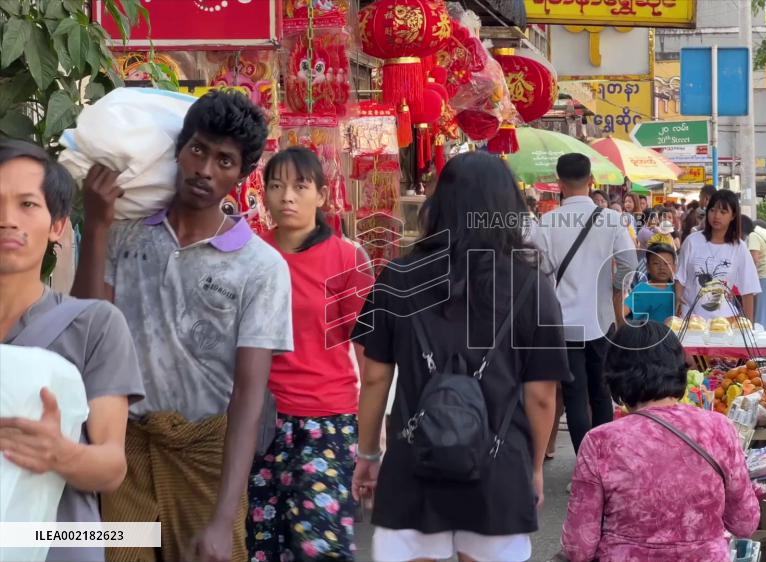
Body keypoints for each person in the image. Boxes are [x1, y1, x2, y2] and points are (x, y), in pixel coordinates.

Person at [72, 90, 294, 562]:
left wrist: (222, 516)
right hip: (126, 448)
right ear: (179, 150)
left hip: (207, 457)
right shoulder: (126, 235)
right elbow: (88, 329)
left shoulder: (261, 267)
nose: (206, 169)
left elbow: (249, 398)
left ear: (241, 174)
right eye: (198, 150)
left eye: (225, 160)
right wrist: (95, 227)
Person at [350, 152, 570, 562]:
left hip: (414, 462)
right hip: (499, 468)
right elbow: (541, 395)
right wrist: (534, 468)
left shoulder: (397, 278)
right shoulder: (531, 286)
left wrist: (368, 454)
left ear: (439, 204)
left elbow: (375, 378)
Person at [0, 140, 145, 562]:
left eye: (27, 204)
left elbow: (111, 467)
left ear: (57, 225)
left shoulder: (94, 325)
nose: (8, 219)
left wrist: (60, 453)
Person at [244, 147, 375, 561]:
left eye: (300, 187)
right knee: (263, 541)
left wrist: (375, 435)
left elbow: (369, 351)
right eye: (277, 186)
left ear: (321, 194)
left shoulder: (347, 257)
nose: (287, 197)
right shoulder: (249, 255)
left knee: (319, 542)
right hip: (260, 420)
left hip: (328, 418)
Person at [561, 323, 760, 562]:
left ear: (615, 376)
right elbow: (744, 523)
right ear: (679, 369)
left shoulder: (600, 442)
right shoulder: (719, 430)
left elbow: (579, 547)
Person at [531, 153, 637, 455]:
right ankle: (603, 463)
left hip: (562, 324)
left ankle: (585, 468)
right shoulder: (612, 220)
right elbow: (629, 262)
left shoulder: (547, 222)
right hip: (601, 319)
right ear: (591, 181)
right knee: (601, 393)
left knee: (576, 396)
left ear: (559, 183)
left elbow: (536, 271)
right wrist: (614, 290)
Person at [675, 190, 760, 320]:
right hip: (691, 321)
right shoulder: (692, 241)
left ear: (733, 215)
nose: (716, 216)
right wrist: (678, 310)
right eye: (712, 210)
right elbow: (680, 279)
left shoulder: (739, 247)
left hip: (724, 321)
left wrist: (749, 326)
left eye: (723, 212)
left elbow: (748, 289)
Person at [624, 244, 677, 325]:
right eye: (656, 263)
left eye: (667, 263)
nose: (662, 267)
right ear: (648, 267)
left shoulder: (677, 288)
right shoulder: (642, 289)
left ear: (674, 267)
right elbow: (623, 310)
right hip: (650, 336)